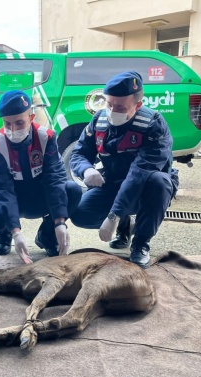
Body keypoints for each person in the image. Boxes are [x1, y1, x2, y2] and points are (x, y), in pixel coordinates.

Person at [70, 71, 179, 268]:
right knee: (80, 214)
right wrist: (86, 169)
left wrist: (113, 214)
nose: (112, 110)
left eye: (119, 107)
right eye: (109, 104)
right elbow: (79, 153)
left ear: (138, 105)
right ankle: (124, 225)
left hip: (145, 186)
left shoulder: (153, 125)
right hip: (114, 182)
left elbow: (138, 174)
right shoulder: (99, 120)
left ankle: (140, 244)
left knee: (160, 183)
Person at [0, 90, 82, 262]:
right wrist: (15, 231)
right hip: (12, 199)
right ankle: (3, 234)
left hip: (39, 197)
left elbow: (54, 178)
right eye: (7, 123)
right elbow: (1, 189)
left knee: (72, 190)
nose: (13, 129)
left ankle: (47, 235)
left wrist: (59, 221)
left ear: (31, 118)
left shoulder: (46, 137)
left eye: (19, 123)